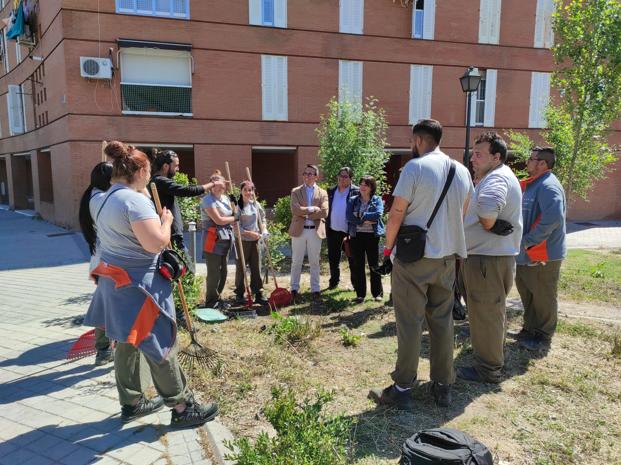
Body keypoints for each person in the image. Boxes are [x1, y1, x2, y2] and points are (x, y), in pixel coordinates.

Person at [84, 141, 218, 428]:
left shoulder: (104, 198)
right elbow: (155, 242)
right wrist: (166, 221)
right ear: (142, 170)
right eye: (148, 169)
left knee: (128, 342)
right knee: (160, 343)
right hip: (140, 287)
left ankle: (132, 402)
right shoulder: (134, 202)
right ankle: (182, 408)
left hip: (116, 283)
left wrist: (142, 191)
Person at [368, 119, 472, 409]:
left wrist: (387, 250)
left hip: (415, 259)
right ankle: (443, 385)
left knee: (410, 322)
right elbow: (462, 214)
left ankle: (402, 387)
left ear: (418, 140)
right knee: (442, 322)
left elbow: (396, 213)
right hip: (448, 259)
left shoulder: (415, 168)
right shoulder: (462, 171)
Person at [457, 132, 523, 384]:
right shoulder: (496, 175)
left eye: (479, 154)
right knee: (488, 312)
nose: (473, 159)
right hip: (488, 258)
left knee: (486, 313)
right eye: (473, 153)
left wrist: (488, 223)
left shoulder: (497, 177)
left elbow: (486, 207)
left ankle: (488, 369)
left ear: (496, 157)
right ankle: (489, 360)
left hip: (488, 259)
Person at [514, 147, 566, 351]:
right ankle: (530, 328)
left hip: (543, 253)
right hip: (528, 252)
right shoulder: (535, 184)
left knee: (543, 295)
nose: (527, 161)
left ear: (542, 163)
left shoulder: (549, 186)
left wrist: (529, 240)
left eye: (531, 159)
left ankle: (543, 335)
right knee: (528, 292)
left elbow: (553, 218)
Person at [149, 150, 224, 250]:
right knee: (186, 265)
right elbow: (188, 190)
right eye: (176, 166)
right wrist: (213, 184)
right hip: (172, 238)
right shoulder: (160, 181)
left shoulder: (160, 182)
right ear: (165, 166)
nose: (178, 169)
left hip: (172, 235)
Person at [78, 161, 115, 366]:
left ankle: (104, 348)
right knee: (106, 305)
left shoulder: (92, 195)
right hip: (108, 262)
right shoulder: (102, 199)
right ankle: (103, 349)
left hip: (102, 260)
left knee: (105, 304)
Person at [288, 164, 329, 303]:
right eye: (305, 173)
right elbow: (295, 210)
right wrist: (312, 209)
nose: (307, 176)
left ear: (316, 176)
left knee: (314, 262)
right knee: (296, 261)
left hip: (315, 232)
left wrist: (305, 214)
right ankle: (294, 289)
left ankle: (315, 290)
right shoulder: (296, 191)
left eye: (310, 174)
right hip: (299, 230)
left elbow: (324, 212)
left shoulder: (323, 192)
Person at [201, 171, 237, 309]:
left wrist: (235, 204)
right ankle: (210, 301)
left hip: (226, 238)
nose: (221, 186)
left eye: (222, 183)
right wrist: (235, 218)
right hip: (212, 239)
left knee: (224, 271)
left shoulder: (226, 199)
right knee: (214, 272)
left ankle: (218, 297)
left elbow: (234, 213)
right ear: (212, 185)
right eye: (217, 183)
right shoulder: (207, 200)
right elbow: (219, 220)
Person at [346, 175, 385, 303]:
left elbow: (378, 215)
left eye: (366, 185)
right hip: (356, 236)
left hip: (372, 237)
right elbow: (349, 216)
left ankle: (377, 294)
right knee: (358, 265)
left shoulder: (377, 199)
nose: (362, 187)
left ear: (371, 187)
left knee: (374, 265)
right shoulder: (353, 200)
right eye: (361, 184)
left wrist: (359, 215)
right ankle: (360, 294)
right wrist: (367, 220)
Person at [234, 180, 269, 305]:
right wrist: (250, 233)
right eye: (245, 190)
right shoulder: (238, 206)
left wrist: (264, 229)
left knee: (256, 266)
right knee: (241, 267)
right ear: (241, 191)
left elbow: (262, 219)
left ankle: (258, 292)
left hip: (256, 241)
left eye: (250, 190)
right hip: (243, 241)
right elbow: (236, 226)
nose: (248, 192)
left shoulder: (256, 205)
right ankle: (239, 293)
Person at [326, 167, 359, 290]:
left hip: (349, 232)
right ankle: (334, 281)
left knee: (352, 259)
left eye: (345, 176)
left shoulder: (356, 191)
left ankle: (356, 284)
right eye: (340, 175)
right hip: (333, 231)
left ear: (351, 179)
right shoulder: (331, 191)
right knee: (333, 258)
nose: (341, 178)